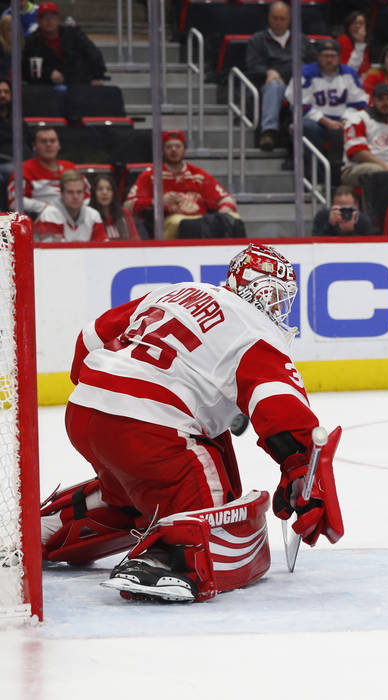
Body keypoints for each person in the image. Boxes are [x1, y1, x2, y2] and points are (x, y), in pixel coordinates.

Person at [40, 244, 344, 601]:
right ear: (258, 292)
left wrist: (105, 398)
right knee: (216, 518)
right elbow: (281, 405)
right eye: (276, 297)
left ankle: (44, 526)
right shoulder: (256, 330)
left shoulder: (176, 291)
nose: (279, 308)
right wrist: (300, 468)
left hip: (84, 413)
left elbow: (89, 339)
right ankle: (165, 560)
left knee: (135, 489)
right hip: (150, 430)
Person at [125, 130, 243, 239]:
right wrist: (156, 201)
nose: (174, 150)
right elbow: (128, 205)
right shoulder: (151, 175)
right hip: (171, 223)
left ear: (184, 149)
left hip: (202, 223)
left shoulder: (198, 175)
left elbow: (226, 199)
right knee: (183, 223)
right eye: (169, 147)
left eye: (177, 146)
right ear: (162, 150)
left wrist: (225, 209)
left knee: (234, 219)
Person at [246, 1, 315, 151]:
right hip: (272, 84)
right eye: (275, 18)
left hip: (299, 83)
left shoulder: (301, 40)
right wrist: (268, 71)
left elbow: (312, 63)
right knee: (274, 85)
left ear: (289, 20)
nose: (278, 22)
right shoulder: (257, 40)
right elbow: (252, 66)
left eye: (282, 19)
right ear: (269, 18)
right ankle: (268, 132)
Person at [289, 38, 367, 169]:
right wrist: (326, 121)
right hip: (316, 122)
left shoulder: (349, 73)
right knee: (307, 127)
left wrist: (345, 119)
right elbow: (298, 105)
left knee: (358, 125)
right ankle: (317, 179)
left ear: (339, 57)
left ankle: (344, 177)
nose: (329, 60)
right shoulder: (305, 73)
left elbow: (359, 103)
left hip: (343, 120)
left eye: (333, 56)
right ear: (318, 57)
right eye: (325, 56)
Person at [22, 1, 106, 87]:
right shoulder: (31, 42)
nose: (49, 21)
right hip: (47, 87)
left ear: (58, 19)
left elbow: (94, 55)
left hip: (78, 83)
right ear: (38, 21)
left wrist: (93, 77)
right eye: (44, 17)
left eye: (52, 17)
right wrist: (48, 74)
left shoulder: (74, 34)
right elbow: (28, 70)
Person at [8, 126, 83, 216]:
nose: (48, 144)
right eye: (43, 141)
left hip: (72, 217)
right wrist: (46, 208)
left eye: (52, 141)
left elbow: (87, 194)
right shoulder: (23, 170)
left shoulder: (70, 167)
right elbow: (15, 201)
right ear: (34, 146)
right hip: (39, 220)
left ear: (58, 145)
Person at [34, 169, 104, 241]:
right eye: (70, 192)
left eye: (79, 192)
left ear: (84, 193)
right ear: (62, 193)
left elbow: (102, 249)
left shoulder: (93, 216)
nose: (75, 197)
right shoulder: (49, 215)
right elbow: (54, 251)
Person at [89, 172, 139, 240]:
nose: (104, 192)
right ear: (94, 193)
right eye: (100, 189)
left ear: (114, 193)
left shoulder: (124, 213)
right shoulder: (89, 216)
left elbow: (135, 241)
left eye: (109, 189)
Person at [311, 185, 375, 236]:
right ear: (332, 206)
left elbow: (369, 246)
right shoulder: (322, 216)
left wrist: (351, 231)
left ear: (356, 205)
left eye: (349, 209)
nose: (345, 213)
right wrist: (330, 225)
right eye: (340, 209)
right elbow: (315, 244)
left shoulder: (363, 220)